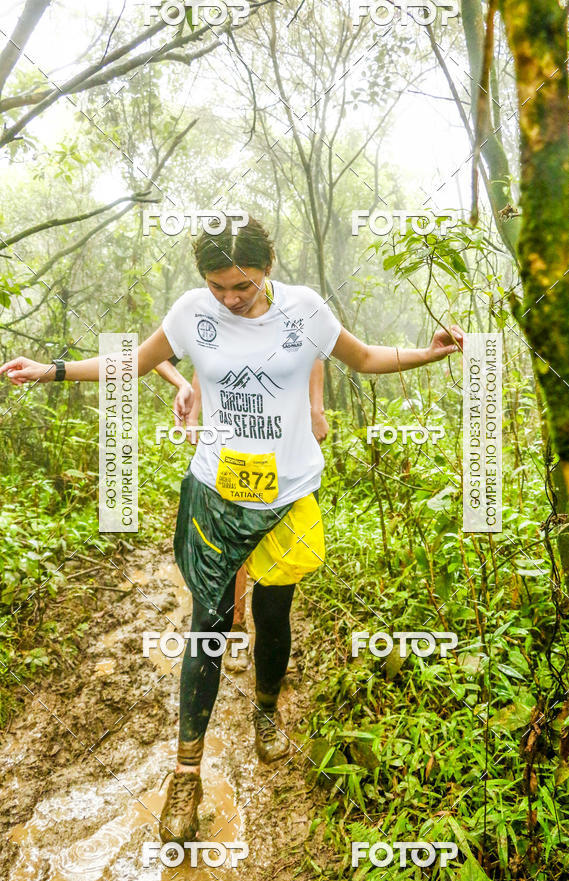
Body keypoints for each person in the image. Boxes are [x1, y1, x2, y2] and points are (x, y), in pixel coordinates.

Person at [0, 215, 463, 845]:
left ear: (267, 267)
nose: (229, 298)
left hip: (288, 493)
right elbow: (133, 365)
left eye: (240, 286)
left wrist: (429, 352)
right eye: (217, 287)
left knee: (274, 614)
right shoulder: (194, 311)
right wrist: (52, 371)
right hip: (216, 490)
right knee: (209, 624)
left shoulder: (305, 311)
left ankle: (266, 711)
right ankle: (185, 774)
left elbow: (366, 357)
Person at [158, 360, 328, 673]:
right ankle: (237, 630)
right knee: (231, 554)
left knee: (275, 587)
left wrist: (315, 408)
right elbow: (168, 355)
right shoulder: (213, 315)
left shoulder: (293, 314)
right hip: (229, 453)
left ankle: (269, 663)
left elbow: (313, 350)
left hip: (285, 455)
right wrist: (189, 399)